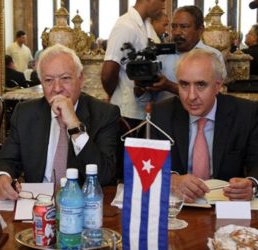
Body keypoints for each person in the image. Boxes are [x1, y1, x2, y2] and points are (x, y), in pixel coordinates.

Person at [0, 44, 121, 200]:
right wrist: (1, 178)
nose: (57, 88)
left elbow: (104, 176)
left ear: (80, 79)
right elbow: (5, 161)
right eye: (49, 80)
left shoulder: (104, 114)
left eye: (65, 78)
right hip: (37, 205)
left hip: (83, 206)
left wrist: (74, 125)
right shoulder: (25, 113)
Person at [150, 48, 258, 202]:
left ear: (218, 86)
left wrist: (252, 184)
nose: (191, 96)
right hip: (179, 207)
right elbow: (147, 165)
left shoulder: (246, 113)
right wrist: (171, 180)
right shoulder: (162, 114)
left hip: (227, 206)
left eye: (201, 85)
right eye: (184, 85)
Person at [101, 0, 165, 129]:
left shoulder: (145, 25)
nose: (163, 6)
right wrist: (114, 97)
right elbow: (108, 72)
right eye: (162, 0)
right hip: (126, 111)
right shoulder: (125, 25)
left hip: (143, 108)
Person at [147, 5, 227, 102]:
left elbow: (215, 94)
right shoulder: (161, 55)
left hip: (199, 116)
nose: (177, 32)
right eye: (174, 27)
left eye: (184, 27)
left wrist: (169, 86)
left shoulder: (213, 56)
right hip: (166, 115)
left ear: (200, 29)